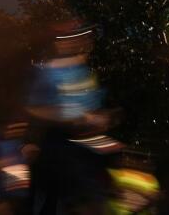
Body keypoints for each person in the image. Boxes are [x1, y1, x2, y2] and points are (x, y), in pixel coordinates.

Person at [27, 22, 118, 215]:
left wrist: (103, 117)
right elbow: (35, 108)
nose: (74, 42)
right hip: (63, 147)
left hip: (88, 146)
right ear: (58, 44)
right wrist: (72, 117)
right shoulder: (49, 72)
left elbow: (94, 103)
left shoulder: (85, 70)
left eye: (78, 38)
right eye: (67, 40)